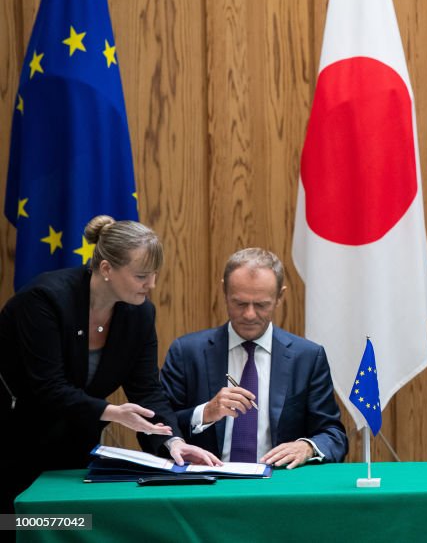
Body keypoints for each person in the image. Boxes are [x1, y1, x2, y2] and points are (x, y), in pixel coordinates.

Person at [0, 215, 219, 513]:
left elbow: (147, 391)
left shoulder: (139, 315)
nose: (151, 284)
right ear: (106, 269)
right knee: (16, 527)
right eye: (142, 276)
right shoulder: (45, 300)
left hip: (73, 454)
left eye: (154, 274)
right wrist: (113, 412)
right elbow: (46, 387)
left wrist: (173, 442)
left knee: (71, 526)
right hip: (14, 444)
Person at [160, 248, 347, 467]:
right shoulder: (187, 352)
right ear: (224, 292)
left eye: (261, 305)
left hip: (278, 485)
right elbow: (157, 429)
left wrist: (306, 446)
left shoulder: (307, 357)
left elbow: (334, 436)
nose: (249, 315)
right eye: (239, 303)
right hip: (207, 483)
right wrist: (205, 413)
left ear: (279, 297)